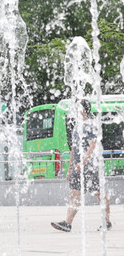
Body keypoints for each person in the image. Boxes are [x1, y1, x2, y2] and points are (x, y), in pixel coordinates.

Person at [51, 99, 112, 232]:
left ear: (84, 110)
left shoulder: (91, 124)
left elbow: (93, 145)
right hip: (77, 167)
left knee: (99, 194)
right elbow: (73, 148)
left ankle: (106, 221)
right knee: (74, 194)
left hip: (91, 166)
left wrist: (83, 162)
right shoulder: (76, 127)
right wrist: (70, 168)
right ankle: (67, 223)